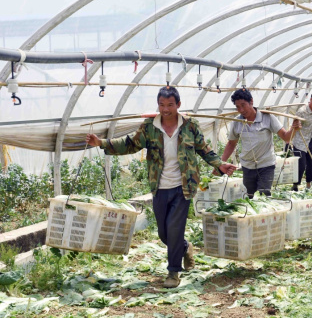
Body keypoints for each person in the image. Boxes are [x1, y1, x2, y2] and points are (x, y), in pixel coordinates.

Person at [86, 86, 237, 288]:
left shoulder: (190, 126)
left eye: (170, 105)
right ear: (158, 105)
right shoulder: (150, 127)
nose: (166, 109)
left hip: (183, 187)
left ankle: (173, 273)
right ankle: (184, 248)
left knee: (174, 230)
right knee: (164, 234)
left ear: (178, 105)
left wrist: (220, 164)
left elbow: (204, 149)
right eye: (162, 105)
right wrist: (102, 143)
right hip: (159, 187)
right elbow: (130, 144)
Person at [218, 88, 299, 198]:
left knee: (264, 195)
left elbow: (286, 137)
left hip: (266, 165)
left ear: (251, 101)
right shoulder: (237, 122)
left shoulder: (268, 118)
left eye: (243, 105)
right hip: (247, 166)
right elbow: (231, 144)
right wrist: (220, 163)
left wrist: (293, 129)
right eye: (238, 107)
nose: (241, 110)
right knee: (250, 196)